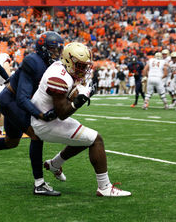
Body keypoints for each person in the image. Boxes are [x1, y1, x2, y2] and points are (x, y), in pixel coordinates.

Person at [0, 31, 64, 196]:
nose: (57, 54)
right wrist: (41, 115)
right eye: (53, 50)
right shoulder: (33, 62)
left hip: (15, 102)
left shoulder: (50, 64)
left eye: (59, 50)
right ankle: (39, 184)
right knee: (36, 135)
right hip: (11, 102)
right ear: (43, 49)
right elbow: (22, 99)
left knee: (11, 142)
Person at [31, 42, 131, 197]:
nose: (84, 70)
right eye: (81, 66)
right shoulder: (59, 77)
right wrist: (79, 100)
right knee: (95, 139)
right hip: (45, 122)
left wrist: (81, 93)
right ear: (70, 61)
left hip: (48, 117)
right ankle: (104, 187)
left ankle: (54, 164)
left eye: (85, 66)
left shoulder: (61, 67)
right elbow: (62, 113)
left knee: (86, 139)